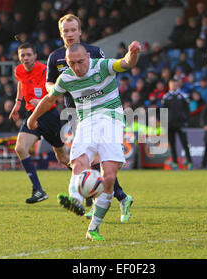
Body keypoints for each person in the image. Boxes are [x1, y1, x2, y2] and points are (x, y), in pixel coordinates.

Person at [27, 41, 141, 241]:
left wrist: (133, 53)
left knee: (108, 177)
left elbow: (125, 63)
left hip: (111, 121)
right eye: (72, 63)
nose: (77, 67)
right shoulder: (66, 78)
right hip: (86, 121)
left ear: (88, 57)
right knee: (78, 163)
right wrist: (32, 117)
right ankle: (75, 200)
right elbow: (48, 99)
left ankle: (93, 229)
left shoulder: (102, 66)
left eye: (80, 62)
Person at [45, 14, 133, 222]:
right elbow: (49, 84)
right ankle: (116, 198)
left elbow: (106, 74)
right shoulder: (55, 57)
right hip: (74, 112)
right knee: (86, 160)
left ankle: (108, 199)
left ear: (80, 31)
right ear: (61, 33)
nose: (70, 34)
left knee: (96, 160)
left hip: (100, 112)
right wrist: (60, 88)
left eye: (73, 30)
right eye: (66, 31)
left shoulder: (93, 52)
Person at [9, 42, 70, 204]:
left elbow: (56, 92)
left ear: (35, 56)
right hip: (31, 115)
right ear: (19, 57)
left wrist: (42, 101)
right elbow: (21, 83)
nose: (26, 58)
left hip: (48, 114)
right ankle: (38, 190)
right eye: (23, 55)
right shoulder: (19, 70)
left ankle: (87, 182)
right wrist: (17, 102)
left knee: (62, 157)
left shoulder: (44, 70)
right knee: (20, 148)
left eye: (29, 55)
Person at [161, 79, 192, 170]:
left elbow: (187, 109)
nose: (174, 86)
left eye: (175, 85)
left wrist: (185, 119)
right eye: (172, 85)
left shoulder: (183, 96)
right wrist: (164, 122)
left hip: (181, 123)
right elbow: (163, 111)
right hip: (170, 124)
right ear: (169, 86)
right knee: (172, 144)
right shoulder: (166, 97)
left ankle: (189, 162)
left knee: (184, 143)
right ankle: (175, 163)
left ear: (178, 85)